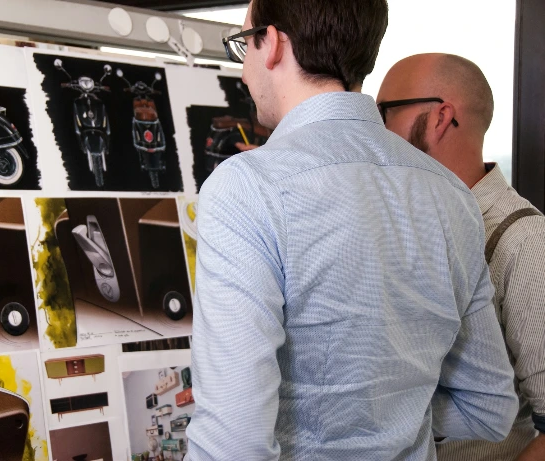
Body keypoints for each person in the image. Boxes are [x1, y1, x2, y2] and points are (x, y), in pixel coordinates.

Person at [185, 0, 519, 459]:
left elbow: (233, 443)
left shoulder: (248, 187)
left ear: (275, 44)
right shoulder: (453, 196)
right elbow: (489, 409)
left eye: (245, 44)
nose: (243, 71)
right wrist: (392, 412)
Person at [377, 53, 545, 461]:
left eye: (384, 113)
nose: (375, 131)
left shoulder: (525, 241)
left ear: (440, 117)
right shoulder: (405, 224)